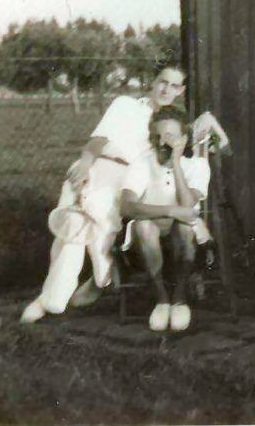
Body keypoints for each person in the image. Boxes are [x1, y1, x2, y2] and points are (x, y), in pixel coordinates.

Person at [20, 62, 225, 324]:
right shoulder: (126, 105)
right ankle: (59, 297)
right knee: (71, 228)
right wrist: (85, 165)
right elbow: (98, 140)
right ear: (153, 81)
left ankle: (89, 284)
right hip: (96, 166)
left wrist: (209, 123)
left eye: (174, 86)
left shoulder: (169, 122)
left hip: (125, 179)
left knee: (91, 227)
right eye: (163, 82)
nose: (166, 89)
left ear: (180, 91)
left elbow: (205, 143)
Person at [117, 107, 211, 332]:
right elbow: (126, 206)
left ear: (184, 139)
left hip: (184, 238)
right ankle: (162, 300)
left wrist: (176, 163)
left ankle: (179, 299)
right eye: (156, 136)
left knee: (186, 227)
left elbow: (187, 205)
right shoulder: (142, 164)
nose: (162, 143)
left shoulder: (197, 165)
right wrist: (171, 211)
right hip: (147, 240)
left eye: (169, 136)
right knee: (144, 226)